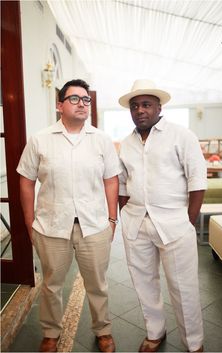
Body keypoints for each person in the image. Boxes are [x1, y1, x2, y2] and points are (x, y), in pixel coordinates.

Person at [17, 79, 120, 353]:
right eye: (75, 99)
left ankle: (103, 330)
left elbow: (111, 179)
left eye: (86, 99)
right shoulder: (40, 140)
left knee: (98, 284)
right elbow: (26, 180)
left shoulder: (101, 140)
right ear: (59, 105)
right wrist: (29, 222)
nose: (83, 104)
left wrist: (112, 220)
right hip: (51, 227)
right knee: (51, 285)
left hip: (94, 225)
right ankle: (51, 333)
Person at [118, 79, 207, 352]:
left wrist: (188, 220)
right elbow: (122, 182)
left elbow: (197, 179)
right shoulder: (127, 143)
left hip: (174, 223)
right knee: (144, 283)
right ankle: (155, 332)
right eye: (135, 106)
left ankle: (194, 343)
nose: (140, 110)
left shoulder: (181, 135)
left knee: (184, 288)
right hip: (136, 223)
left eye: (146, 104)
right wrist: (125, 213)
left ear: (159, 107)